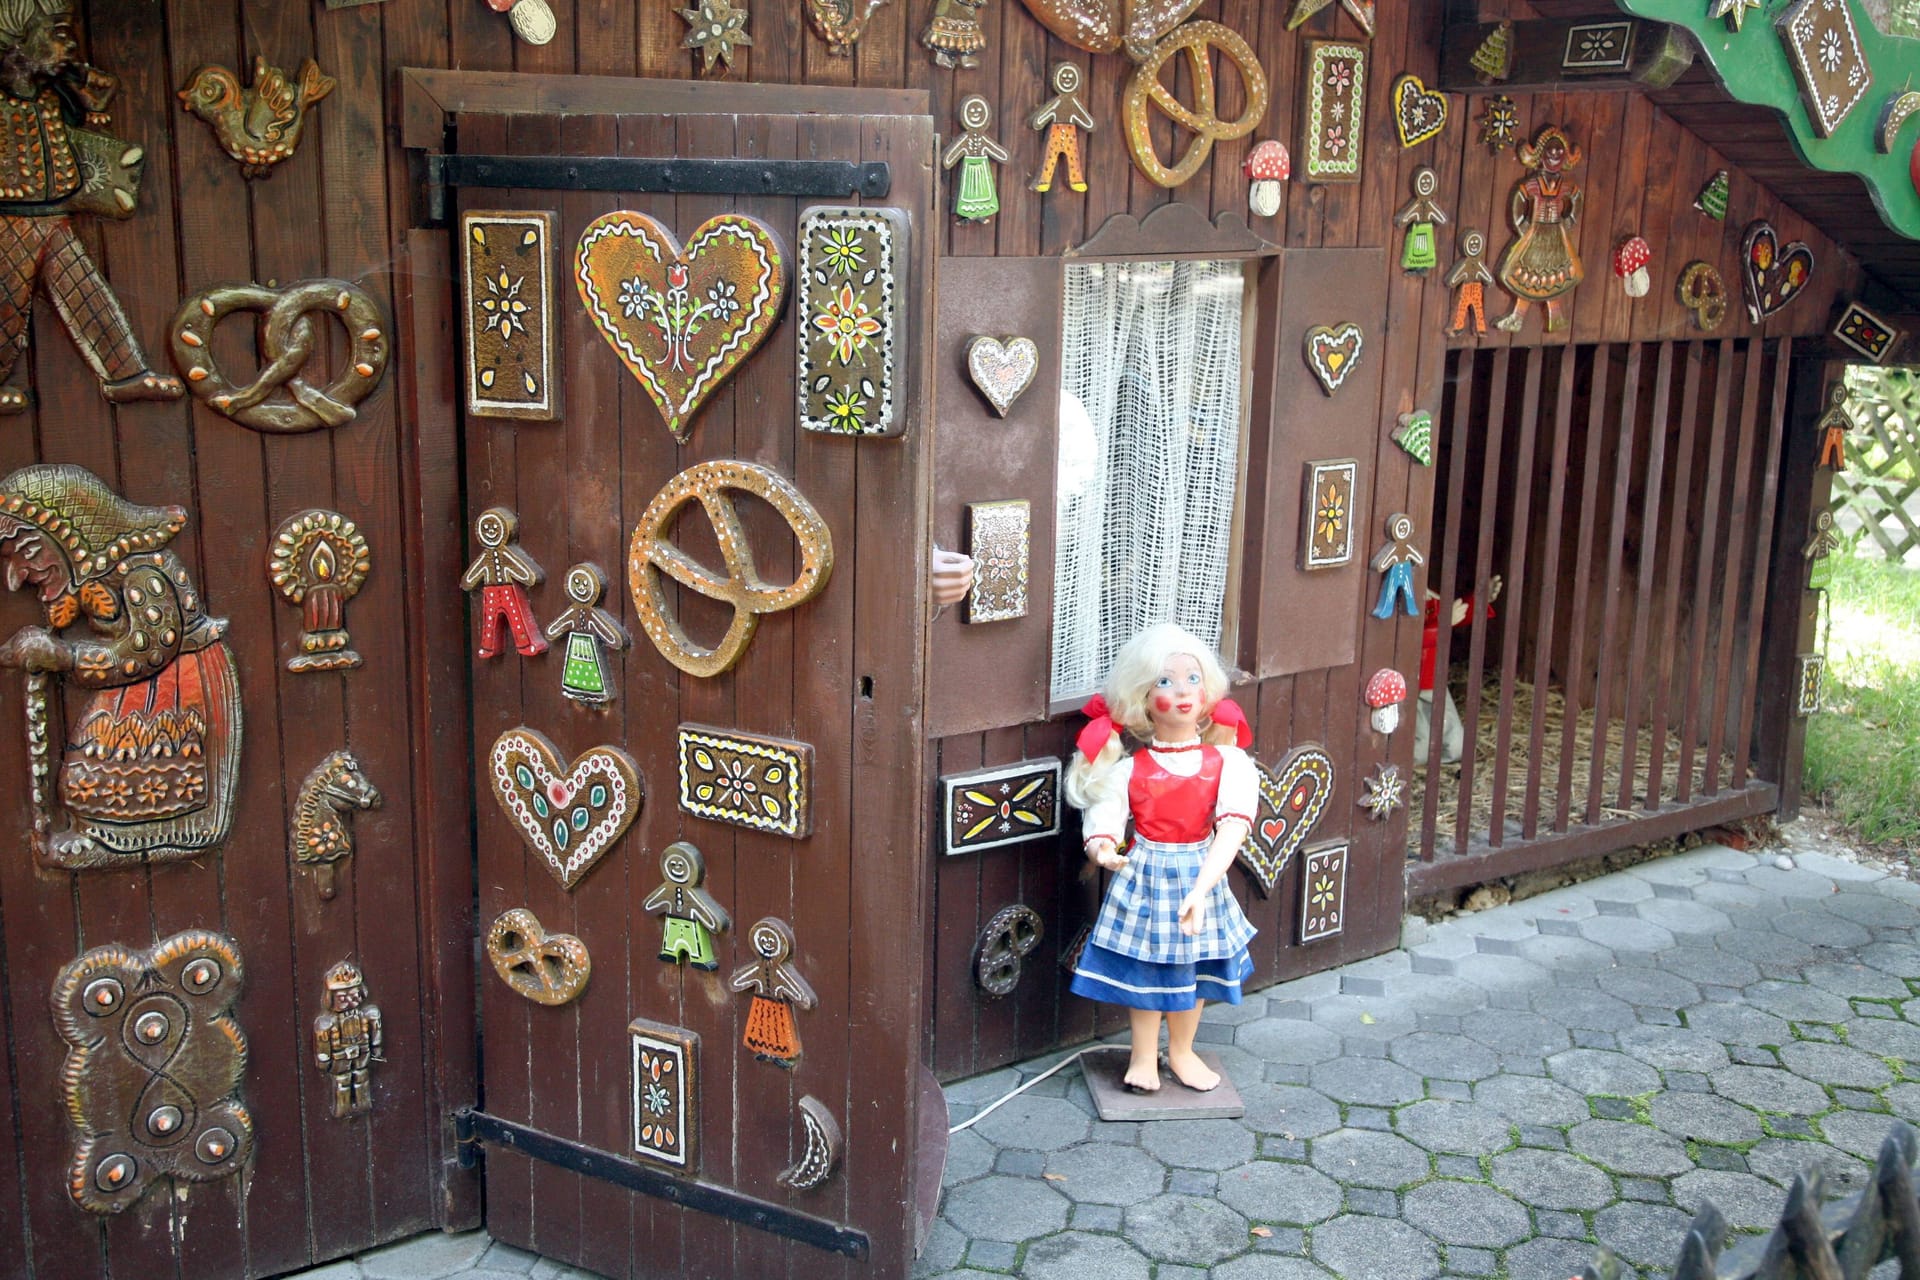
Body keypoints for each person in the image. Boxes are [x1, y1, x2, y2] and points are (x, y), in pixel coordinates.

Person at [1065, 623, 1257, 1094]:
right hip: (1146, 876)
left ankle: (1182, 1050)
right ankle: (1143, 1054)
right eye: (1165, 683)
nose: (1183, 692)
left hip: (1200, 870)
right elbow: (1106, 818)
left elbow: (1232, 827)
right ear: (1143, 699)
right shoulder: (1130, 769)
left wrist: (1202, 886)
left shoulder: (1226, 763)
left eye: (1192, 679)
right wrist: (1104, 849)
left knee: (1195, 971)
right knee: (1147, 970)